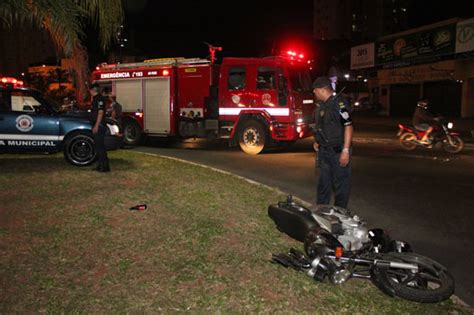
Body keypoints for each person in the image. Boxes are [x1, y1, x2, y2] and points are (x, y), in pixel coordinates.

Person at [312, 77, 353, 208]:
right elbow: (323, 126)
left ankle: (340, 215)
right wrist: (317, 141)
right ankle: (321, 213)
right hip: (325, 152)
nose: (314, 93)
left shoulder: (339, 104)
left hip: (338, 151)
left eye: (315, 90)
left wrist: (345, 151)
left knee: (340, 187)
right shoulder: (322, 105)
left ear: (322, 90)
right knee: (324, 185)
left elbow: (348, 126)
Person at [89, 83, 110, 172]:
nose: (89, 91)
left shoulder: (99, 99)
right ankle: (100, 165)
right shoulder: (95, 99)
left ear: (93, 90)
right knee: (97, 146)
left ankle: (104, 167)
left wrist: (97, 125)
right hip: (97, 124)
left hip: (99, 125)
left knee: (100, 147)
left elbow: (100, 112)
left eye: (90, 90)